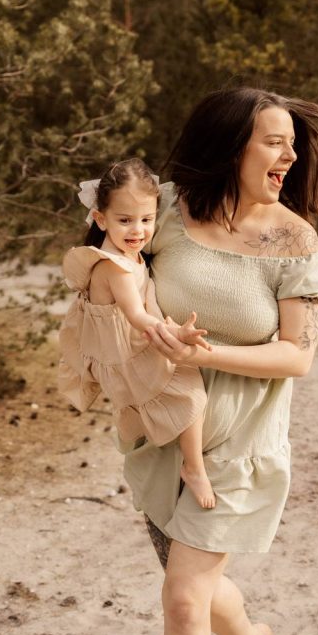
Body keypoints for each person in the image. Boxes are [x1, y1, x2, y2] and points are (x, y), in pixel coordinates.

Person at [129, 88, 318, 635]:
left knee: (182, 601)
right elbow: (110, 268)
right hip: (165, 425)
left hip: (243, 440)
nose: (290, 156)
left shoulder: (294, 239)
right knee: (188, 583)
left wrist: (201, 353)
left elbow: (297, 355)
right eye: (274, 143)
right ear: (231, 147)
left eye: (292, 144)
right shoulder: (165, 211)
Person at [57, 158, 217, 509]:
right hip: (127, 351)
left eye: (146, 220)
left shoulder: (130, 254)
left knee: (166, 405)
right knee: (190, 393)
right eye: (125, 220)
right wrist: (174, 333)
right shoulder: (114, 266)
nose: (138, 230)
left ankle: (168, 472)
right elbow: (136, 314)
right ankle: (193, 468)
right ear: (101, 219)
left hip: (129, 345)